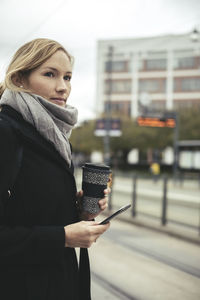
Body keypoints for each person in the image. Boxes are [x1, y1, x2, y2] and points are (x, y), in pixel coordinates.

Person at [0, 38, 110, 300]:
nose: (63, 87)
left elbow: (32, 212)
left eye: (68, 77)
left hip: (57, 281)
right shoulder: (5, 133)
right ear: (19, 80)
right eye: (50, 74)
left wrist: (80, 211)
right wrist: (62, 237)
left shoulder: (53, 136)